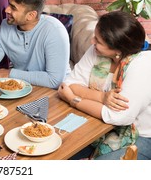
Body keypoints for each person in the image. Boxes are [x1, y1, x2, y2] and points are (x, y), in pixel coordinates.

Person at [58, 11, 151, 159]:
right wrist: (101, 97)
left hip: (141, 136)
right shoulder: (98, 50)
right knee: (57, 148)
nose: (92, 41)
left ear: (118, 51)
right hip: (99, 125)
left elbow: (119, 116)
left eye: (98, 41)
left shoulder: (143, 65)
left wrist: (73, 100)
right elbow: (70, 84)